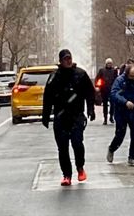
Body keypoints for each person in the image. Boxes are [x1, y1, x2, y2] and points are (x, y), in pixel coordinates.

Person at [42, 49, 96, 186]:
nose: (68, 61)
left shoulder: (80, 74)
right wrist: (45, 116)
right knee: (62, 147)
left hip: (76, 116)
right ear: (60, 61)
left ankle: (80, 168)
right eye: (65, 59)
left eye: (69, 58)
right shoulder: (54, 77)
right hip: (60, 117)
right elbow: (47, 97)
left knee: (77, 143)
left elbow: (90, 93)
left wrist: (91, 109)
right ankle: (66, 174)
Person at [107, 64, 134, 166]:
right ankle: (112, 148)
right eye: (132, 76)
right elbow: (113, 94)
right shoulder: (120, 81)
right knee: (120, 134)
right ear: (127, 74)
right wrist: (125, 102)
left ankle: (132, 157)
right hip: (121, 111)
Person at [95, 58, 119, 125]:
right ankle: (105, 118)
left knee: (112, 104)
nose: (109, 64)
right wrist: (97, 86)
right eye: (108, 63)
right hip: (104, 89)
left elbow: (116, 79)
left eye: (110, 63)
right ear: (106, 64)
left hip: (112, 90)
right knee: (105, 105)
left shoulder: (114, 71)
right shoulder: (102, 71)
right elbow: (98, 79)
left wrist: (117, 87)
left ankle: (111, 116)